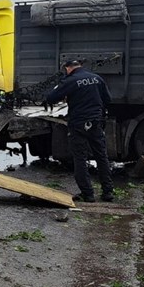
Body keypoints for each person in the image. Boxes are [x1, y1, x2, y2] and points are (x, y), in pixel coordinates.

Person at [44, 58, 114, 203]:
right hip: (96, 121)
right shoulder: (96, 78)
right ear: (80, 66)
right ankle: (108, 192)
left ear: (68, 68)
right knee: (101, 156)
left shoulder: (70, 80)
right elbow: (108, 99)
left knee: (80, 158)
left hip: (78, 123)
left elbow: (50, 98)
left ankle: (88, 194)